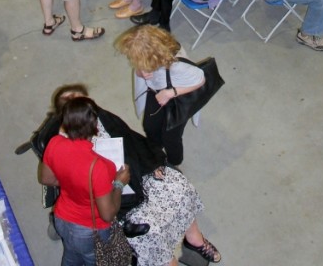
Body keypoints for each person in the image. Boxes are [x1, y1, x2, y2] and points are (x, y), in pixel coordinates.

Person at [32, 84, 219, 266]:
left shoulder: (61, 141)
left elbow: (132, 141)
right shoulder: (96, 165)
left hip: (133, 176)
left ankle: (193, 239)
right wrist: (116, 183)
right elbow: (108, 213)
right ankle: (164, 259)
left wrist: (153, 164)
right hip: (114, 201)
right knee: (150, 230)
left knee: (180, 187)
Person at [40, 95, 130, 262]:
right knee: (92, 259)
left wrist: (72, 182)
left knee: (71, 255)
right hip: (88, 231)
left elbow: (46, 179)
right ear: (95, 126)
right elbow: (108, 214)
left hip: (61, 218)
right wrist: (119, 183)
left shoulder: (54, 143)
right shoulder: (100, 166)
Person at [114, 26, 211, 178]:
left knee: (171, 137)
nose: (135, 62)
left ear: (154, 58)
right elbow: (140, 70)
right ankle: (156, 152)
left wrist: (170, 93)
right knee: (149, 126)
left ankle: (174, 162)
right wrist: (142, 71)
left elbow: (201, 79)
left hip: (177, 99)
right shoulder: (152, 56)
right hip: (157, 91)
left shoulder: (179, 66)